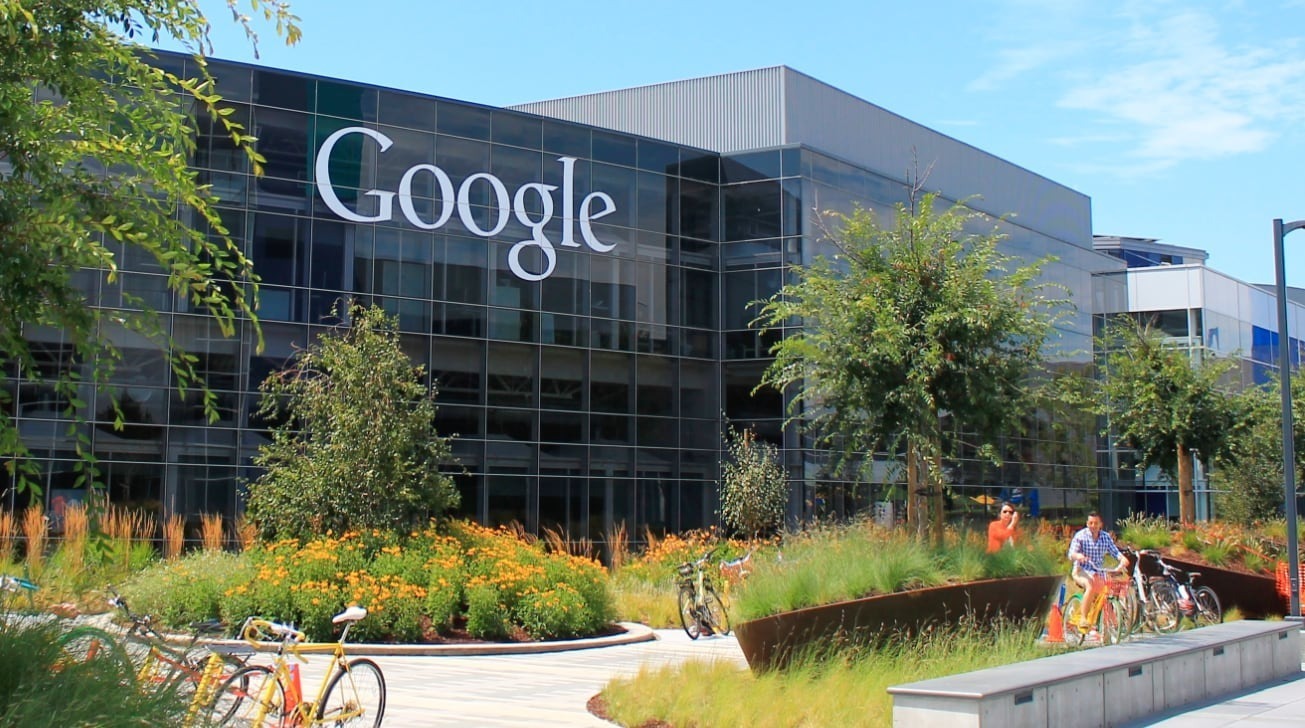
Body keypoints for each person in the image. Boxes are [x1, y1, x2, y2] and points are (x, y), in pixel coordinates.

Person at [1067, 512, 1130, 632]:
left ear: (1100, 524)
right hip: (1081, 570)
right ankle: (1084, 619)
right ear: (1087, 523)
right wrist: (1078, 556)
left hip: (1098, 572)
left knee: (1107, 594)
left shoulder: (1105, 537)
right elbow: (1071, 553)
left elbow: (1115, 552)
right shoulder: (1081, 536)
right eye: (1090, 523)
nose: (1093, 525)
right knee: (1090, 586)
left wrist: (1122, 559)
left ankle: (1114, 625)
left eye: (1096, 523)